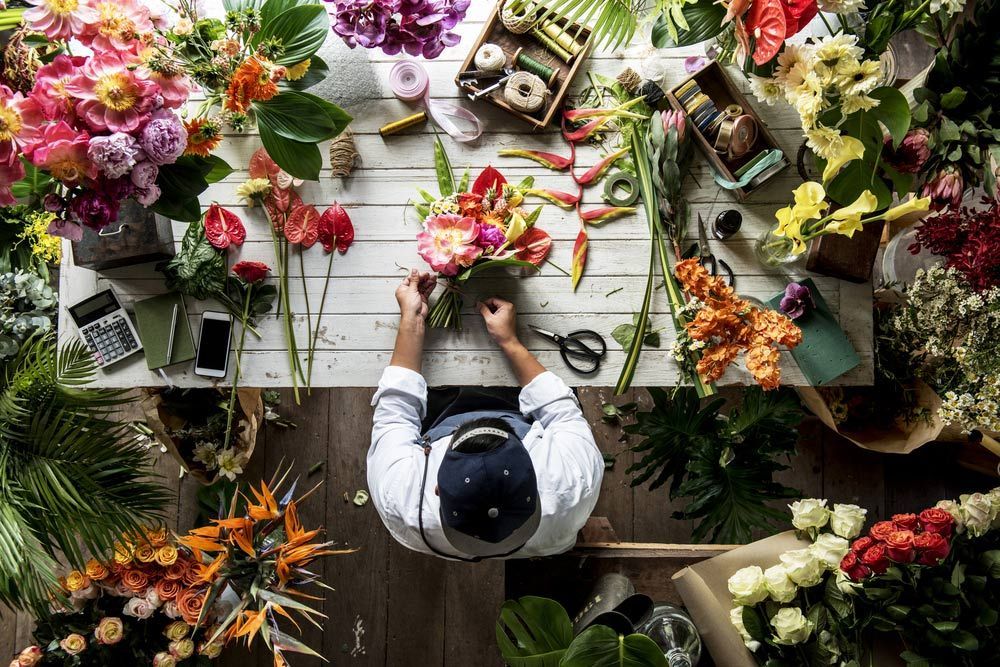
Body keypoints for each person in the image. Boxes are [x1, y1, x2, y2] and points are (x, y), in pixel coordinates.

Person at [367, 269, 604, 561]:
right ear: (535, 470)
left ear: (438, 489)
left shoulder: (401, 500)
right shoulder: (572, 484)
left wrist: (412, 321)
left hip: (441, 418)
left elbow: (396, 412)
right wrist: (510, 341)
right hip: (520, 413)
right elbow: (561, 410)